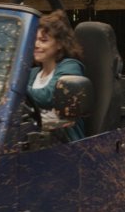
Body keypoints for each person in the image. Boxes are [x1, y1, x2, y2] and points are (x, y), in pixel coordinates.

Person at [27, 10, 86, 142]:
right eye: (34, 40)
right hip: (33, 138)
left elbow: (49, 96)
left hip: (64, 143)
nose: (36, 45)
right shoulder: (32, 73)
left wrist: (14, 89)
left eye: (43, 40)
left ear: (59, 44)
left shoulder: (71, 67)